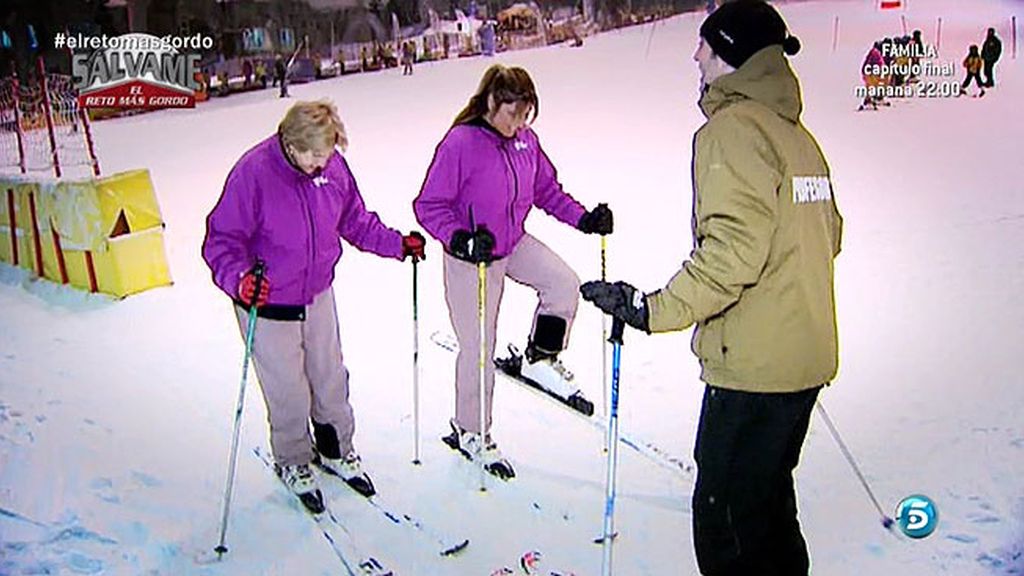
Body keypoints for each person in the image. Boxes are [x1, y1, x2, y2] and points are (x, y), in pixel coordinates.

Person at [580, 2, 842, 574]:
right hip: (804, 359)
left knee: (726, 524)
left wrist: (649, 309)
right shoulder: (795, 135)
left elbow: (732, 255)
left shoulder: (732, 130)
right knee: (768, 506)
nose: (696, 56)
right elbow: (830, 234)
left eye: (706, 46)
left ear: (730, 54)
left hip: (756, 369)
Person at [202, 100, 426, 505]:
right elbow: (221, 241)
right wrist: (239, 281)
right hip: (268, 303)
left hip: (318, 293)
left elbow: (354, 220)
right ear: (290, 143)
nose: (321, 164)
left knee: (330, 378)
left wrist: (398, 244)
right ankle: (292, 458)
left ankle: (336, 448)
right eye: (313, 156)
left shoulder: (332, 167)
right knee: (288, 389)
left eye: (327, 154)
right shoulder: (253, 173)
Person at [413, 64, 614, 479]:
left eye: (525, 114)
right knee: (479, 346)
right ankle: (471, 431)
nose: (518, 123)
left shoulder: (526, 142)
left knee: (563, 284)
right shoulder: (460, 143)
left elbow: (547, 191)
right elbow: (428, 205)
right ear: (491, 102)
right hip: (471, 257)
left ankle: (540, 356)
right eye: (511, 113)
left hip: (512, 242)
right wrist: (460, 237)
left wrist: (584, 219)